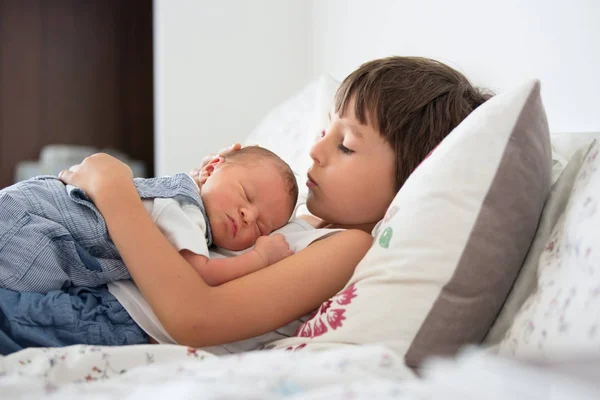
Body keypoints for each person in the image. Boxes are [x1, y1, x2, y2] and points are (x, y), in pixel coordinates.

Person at [0, 56, 492, 354]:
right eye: (326, 131)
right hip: (90, 289)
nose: (316, 151)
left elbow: (197, 317)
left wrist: (115, 193)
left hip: (112, 320)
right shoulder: (298, 223)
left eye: (346, 146)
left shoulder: (346, 246)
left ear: (411, 177)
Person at [0, 146, 297, 293]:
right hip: (35, 229)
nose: (249, 215)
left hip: (29, 208)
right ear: (210, 170)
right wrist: (260, 257)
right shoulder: (187, 210)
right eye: (245, 194)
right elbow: (200, 274)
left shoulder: (180, 192)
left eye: (261, 227)